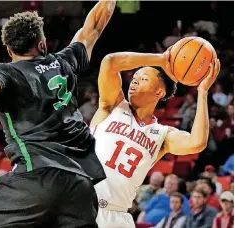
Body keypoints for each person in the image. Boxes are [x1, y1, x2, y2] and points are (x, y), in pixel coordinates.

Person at [0, 1, 116, 227]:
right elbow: (93, 27)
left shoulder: (7, 72)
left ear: (8, 50)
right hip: (80, 186)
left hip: (36, 177)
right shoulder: (63, 62)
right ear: (42, 44)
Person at [90, 48, 220, 228]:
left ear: (160, 92)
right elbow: (110, 61)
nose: (134, 82)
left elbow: (197, 142)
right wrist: (161, 58)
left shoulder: (162, 134)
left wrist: (203, 92)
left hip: (116, 216)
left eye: (143, 79)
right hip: (79, 203)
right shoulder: (113, 106)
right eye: (134, 79)